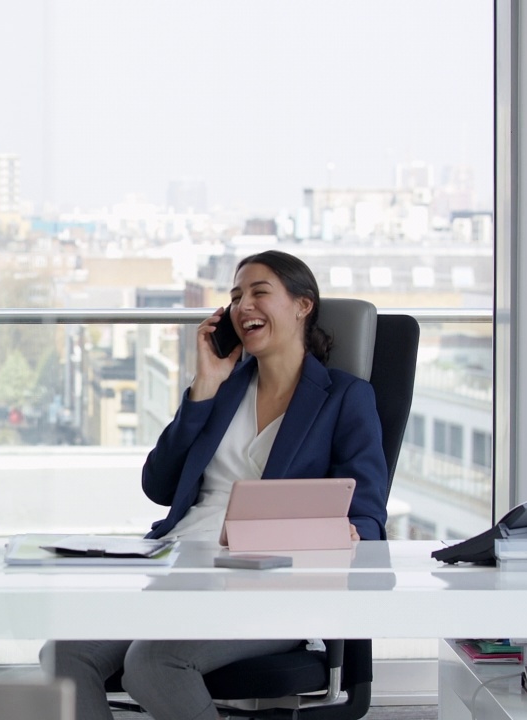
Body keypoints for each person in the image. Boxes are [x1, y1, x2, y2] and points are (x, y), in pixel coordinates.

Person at [42, 250, 388, 720]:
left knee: (153, 662)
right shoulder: (222, 389)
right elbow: (158, 485)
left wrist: (346, 532)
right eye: (236, 297)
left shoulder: (345, 397)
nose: (244, 306)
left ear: (303, 305)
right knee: (64, 654)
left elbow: (367, 513)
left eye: (259, 292)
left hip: (272, 582)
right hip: (179, 568)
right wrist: (203, 387)